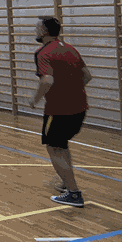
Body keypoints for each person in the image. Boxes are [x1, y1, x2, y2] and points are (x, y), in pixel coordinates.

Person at [29, 16, 92, 207]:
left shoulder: (43, 53)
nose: (35, 31)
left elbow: (47, 80)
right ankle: (66, 182)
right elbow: (87, 76)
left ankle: (74, 194)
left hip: (58, 111)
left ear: (44, 32)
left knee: (54, 148)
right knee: (61, 145)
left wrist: (34, 99)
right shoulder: (70, 49)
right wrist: (72, 90)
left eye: (37, 28)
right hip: (80, 108)